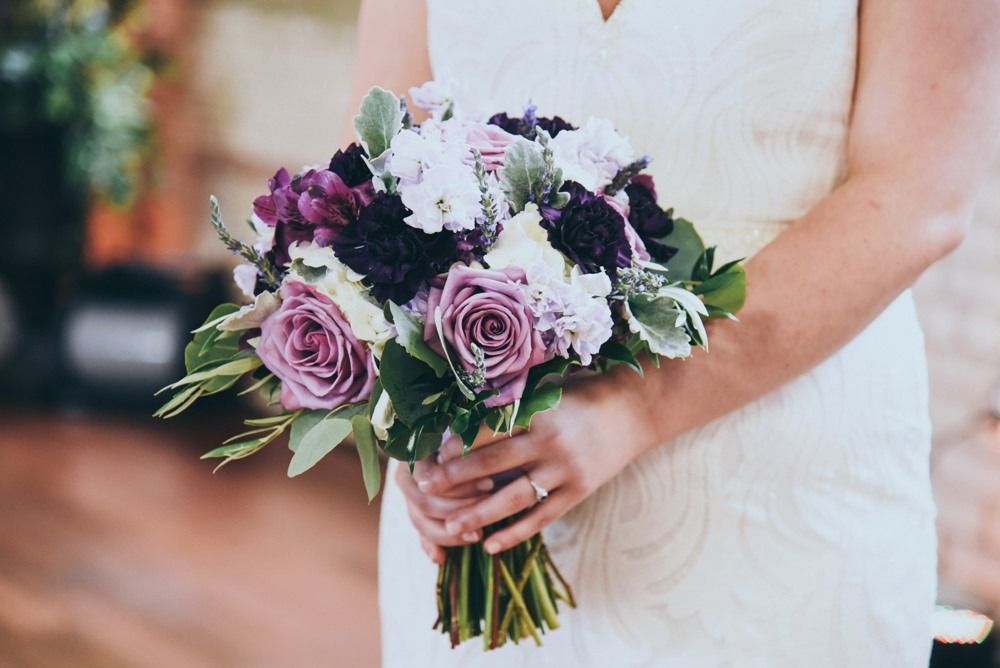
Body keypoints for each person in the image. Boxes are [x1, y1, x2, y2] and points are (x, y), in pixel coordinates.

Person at [344, 1, 1000, 665]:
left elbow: (919, 197)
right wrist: (415, 412)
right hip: (483, 480)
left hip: (778, 494)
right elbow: (381, 164)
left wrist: (636, 408)